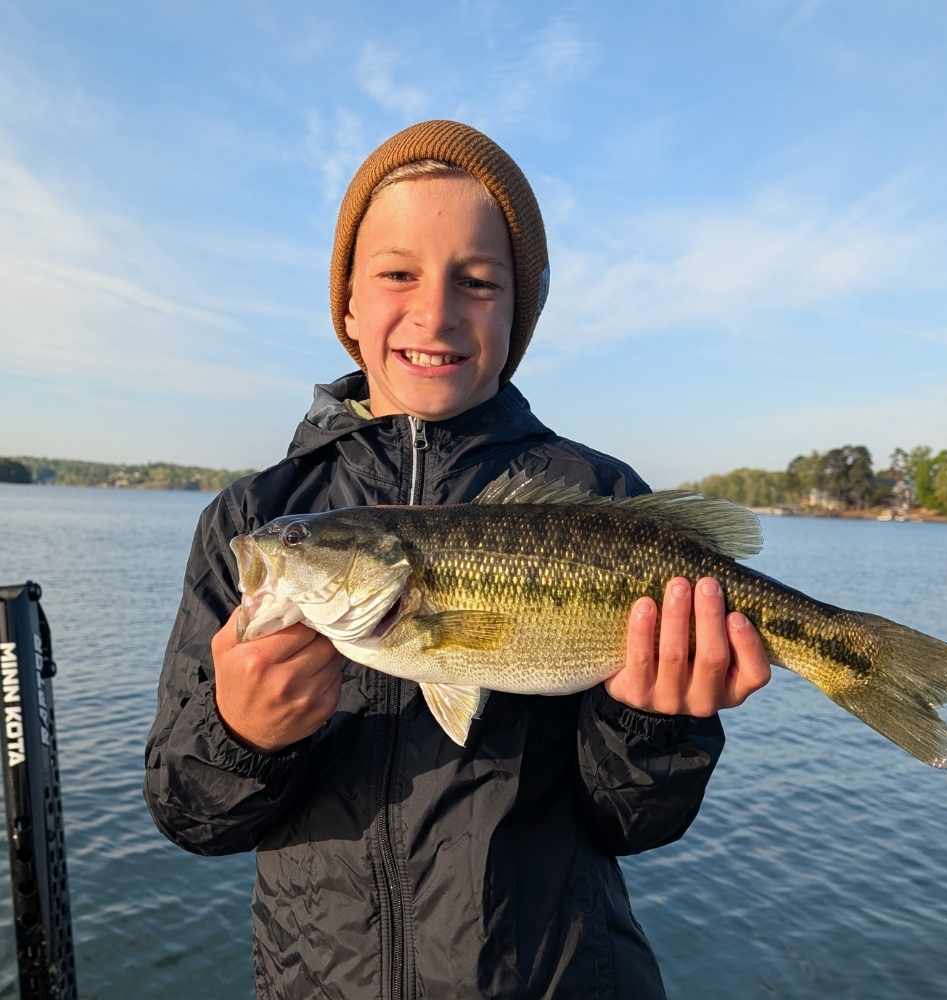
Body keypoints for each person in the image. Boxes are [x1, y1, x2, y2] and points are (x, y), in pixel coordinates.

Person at [144, 120, 771, 1000]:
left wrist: (655, 723)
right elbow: (191, 817)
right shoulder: (252, 514)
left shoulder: (600, 498)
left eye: (477, 282)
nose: (434, 313)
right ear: (348, 304)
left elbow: (637, 822)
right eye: (397, 274)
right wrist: (243, 736)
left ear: (518, 315)